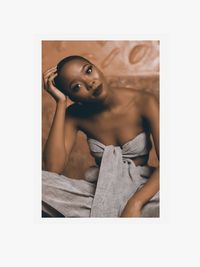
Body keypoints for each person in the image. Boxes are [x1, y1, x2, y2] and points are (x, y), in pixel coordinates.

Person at [42, 55, 159, 217]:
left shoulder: (144, 101)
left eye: (88, 71)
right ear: (73, 98)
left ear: (96, 67)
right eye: (76, 87)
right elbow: (52, 169)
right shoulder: (74, 114)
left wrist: (135, 203)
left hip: (144, 190)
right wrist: (61, 103)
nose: (89, 83)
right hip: (98, 191)